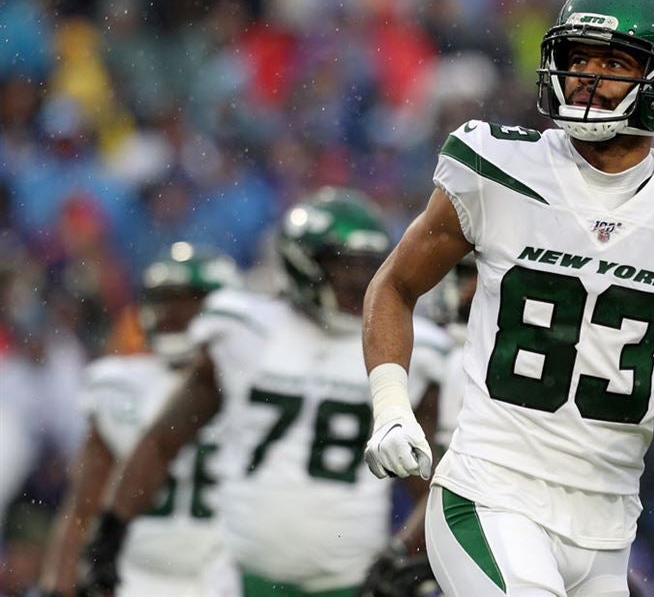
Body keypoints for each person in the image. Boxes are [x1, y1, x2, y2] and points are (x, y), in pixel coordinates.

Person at [360, 0, 654, 594]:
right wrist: (391, 408)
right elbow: (394, 286)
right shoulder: (497, 168)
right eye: (577, 59)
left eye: (613, 64)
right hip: (491, 492)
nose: (586, 77)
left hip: (608, 525)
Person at [80, 189, 448, 597]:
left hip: (349, 583)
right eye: (342, 264)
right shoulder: (244, 330)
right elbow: (164, 439)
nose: (358, 279)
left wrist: (407, 556)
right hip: (238, 577)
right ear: (300, 261)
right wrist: (111, 527)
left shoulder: (406, 346)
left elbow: (436, 481)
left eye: (367, 266)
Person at [39, 242, 241, 597]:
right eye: (165, 301)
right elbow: (84, 506)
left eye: (189, 302)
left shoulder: (249, 382)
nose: (173, 314)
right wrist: (59, 587)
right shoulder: (120, 384)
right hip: (137, 576)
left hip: (227, 575)